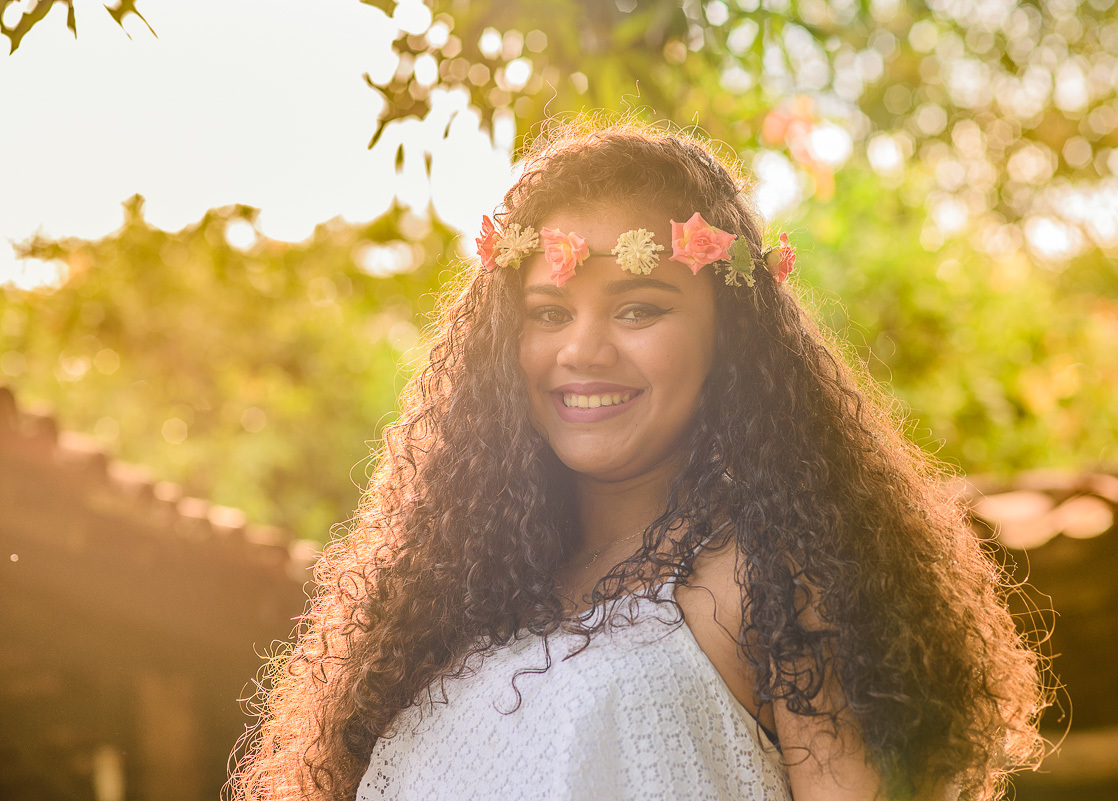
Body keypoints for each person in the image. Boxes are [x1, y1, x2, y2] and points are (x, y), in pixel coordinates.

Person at [228, 118, 1050, 801]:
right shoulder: (451, 597)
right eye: (547, 312)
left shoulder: (766, 578)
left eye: (638, 307)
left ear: (729, 334)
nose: (582, 350)